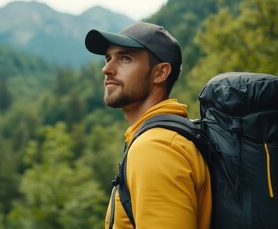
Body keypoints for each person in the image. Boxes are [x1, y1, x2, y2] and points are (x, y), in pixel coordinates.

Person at [84, 22, 212, 229]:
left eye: (125, 58)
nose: (106, 69)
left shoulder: (156, 148)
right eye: (108, 58)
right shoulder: (165, 138)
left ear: (160, 73)